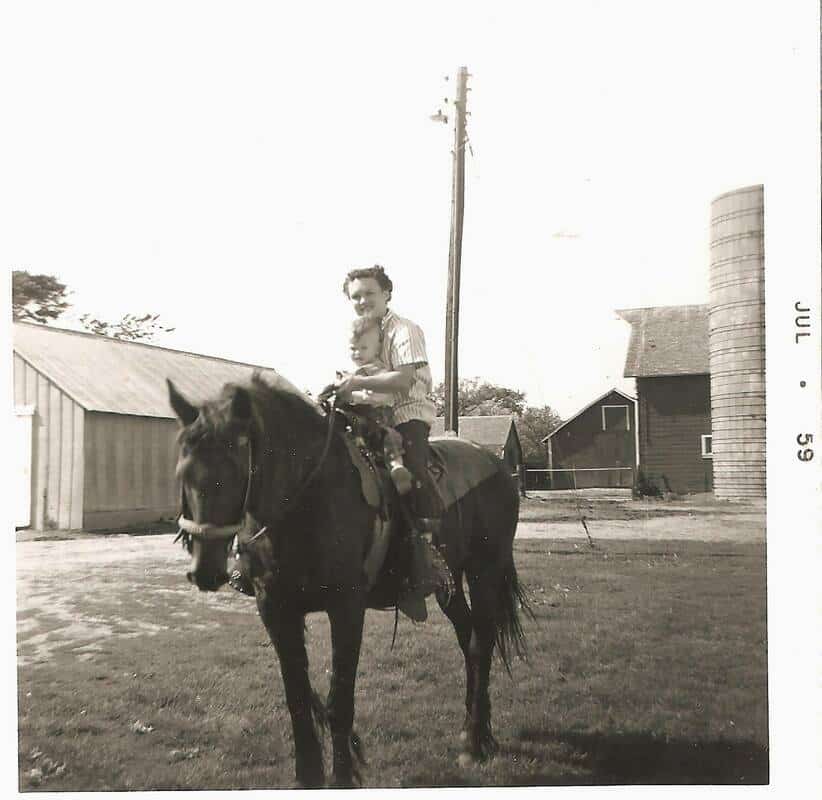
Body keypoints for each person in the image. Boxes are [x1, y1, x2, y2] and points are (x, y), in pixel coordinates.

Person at [332, 264, 449, 622]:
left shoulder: (404, 330)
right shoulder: (361, 332)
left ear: (387, 294)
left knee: (411, 474)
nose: (363, 300)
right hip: (372, 415)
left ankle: (422, 563)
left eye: (369, 293)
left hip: (405, 414)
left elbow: (402, 380)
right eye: (356, 296)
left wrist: (353, 385)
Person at [340, 315, 413, 496]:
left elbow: (383, 395)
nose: (357, 353)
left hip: (378, 415)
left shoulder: (378, 371)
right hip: (359, 419)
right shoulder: (350, 373)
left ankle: (397, 467)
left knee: (388, 437)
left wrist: (357, 394)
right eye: (353, 348)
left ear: (377, 348)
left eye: (363, 348)